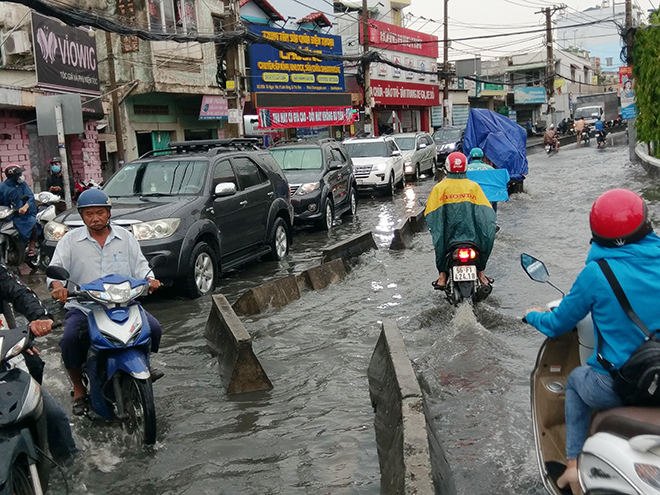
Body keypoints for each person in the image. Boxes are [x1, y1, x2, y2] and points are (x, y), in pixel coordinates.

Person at [524, 189, 660, 495]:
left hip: (617, 386)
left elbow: (558, 324)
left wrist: (532, 316)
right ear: (646, 224)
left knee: (575, 381)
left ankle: (572, 467)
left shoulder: (595, 275)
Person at [48, 189, 164, 416]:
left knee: (155, 328)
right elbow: (56, 272)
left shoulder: (125, 237)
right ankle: (79, 389)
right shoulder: (70, 240)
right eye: (89, 214)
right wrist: (59, 288)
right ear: (82, 216)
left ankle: (143, 364)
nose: (95, 218)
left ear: (108, 213)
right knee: (70, 340)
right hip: (85, 306)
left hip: (124, 304)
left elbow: (141, 265)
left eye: (100, 212)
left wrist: (150, 279)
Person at [0, 263, 77, 459]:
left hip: (4, 356)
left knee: (54, 415)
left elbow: (21, 293)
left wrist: (40, 317)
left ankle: (69, 465)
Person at [425, 151, 497, 289]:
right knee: (488, 240)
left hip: (450, 240)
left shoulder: (439, 188)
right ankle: (481, 273)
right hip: (473, 239)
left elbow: (432, 217)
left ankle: (442, 276)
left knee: (438, 243)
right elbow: (486, 214)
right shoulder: (473, 187)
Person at [0, 165, 39, 258]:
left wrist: (26, 206)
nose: (21, 176)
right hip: (9, 216)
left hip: (23, 216)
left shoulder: (23, 184)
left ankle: (32, 246)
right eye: (19, 174)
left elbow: (30, 197)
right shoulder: (2, 187)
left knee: (34, 224)